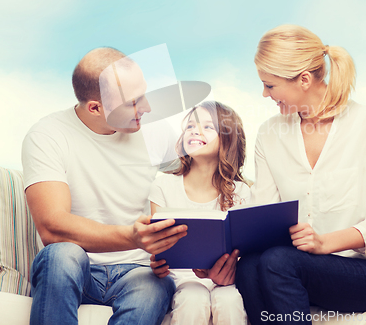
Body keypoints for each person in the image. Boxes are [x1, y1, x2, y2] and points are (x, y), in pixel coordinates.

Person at [235, 25, 366, 325]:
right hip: (298, 267)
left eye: (270, 85)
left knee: (277, 262)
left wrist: (324, 243)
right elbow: (264, 216)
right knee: (249, 266)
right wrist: (228, 256)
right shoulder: (269, 134)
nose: (264, 94)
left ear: (304, 79)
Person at [22, 47, 187, 325]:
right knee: (61, 254)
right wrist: (132, 237)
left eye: (144, 94)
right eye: (133, 102)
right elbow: (52, 226)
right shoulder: (47, 135)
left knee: (153, 285)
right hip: (80, 269)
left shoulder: (156, 131)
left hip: (141, 270)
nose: (146, 108)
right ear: (95, 108)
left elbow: (203, 178)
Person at [149, 101, 250, 325]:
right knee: (193, 299)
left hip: (226, 281)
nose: (195, 131)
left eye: (207, 127)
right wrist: (156, 262)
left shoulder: (241, 192)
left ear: (227, 138)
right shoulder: (163, 187)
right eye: (191, 126)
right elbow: (158, 246)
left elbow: (246, 252)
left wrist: (229, 272)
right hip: (181, 280)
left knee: (229, 301)